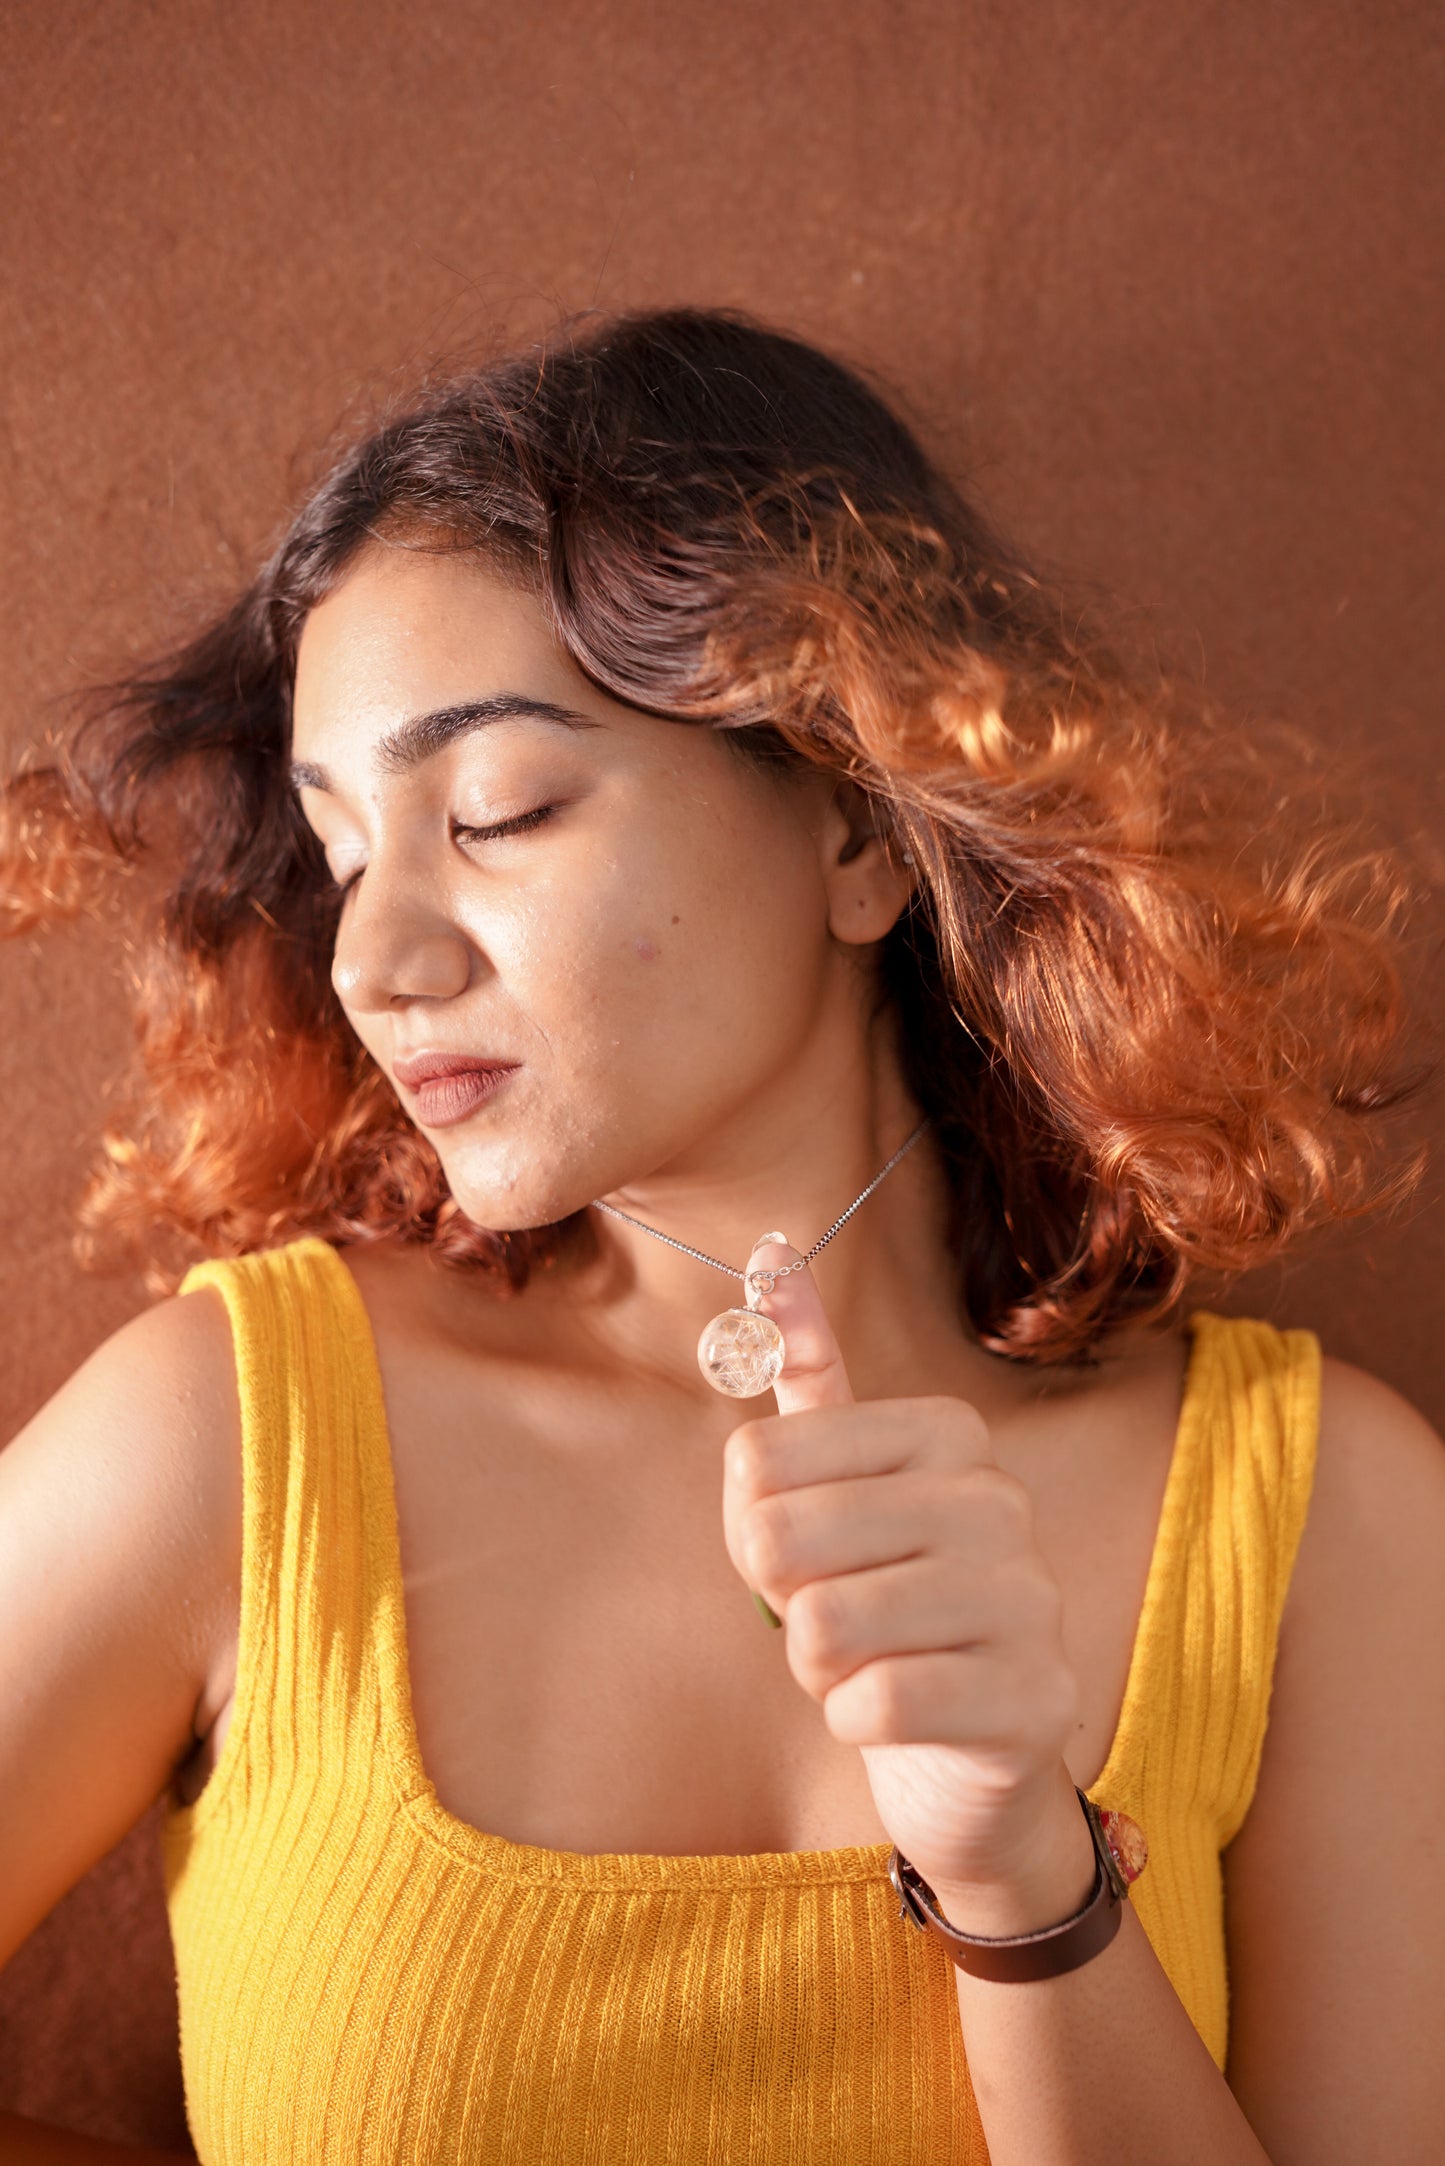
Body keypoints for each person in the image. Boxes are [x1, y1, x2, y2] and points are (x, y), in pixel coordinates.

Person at [0, 307, 1441, 2166]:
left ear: (851, 827)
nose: (376, 955)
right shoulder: (221, 1435)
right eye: (345, 850)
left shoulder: (1334, 1521)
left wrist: (1021, 1867)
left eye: (498, 808)